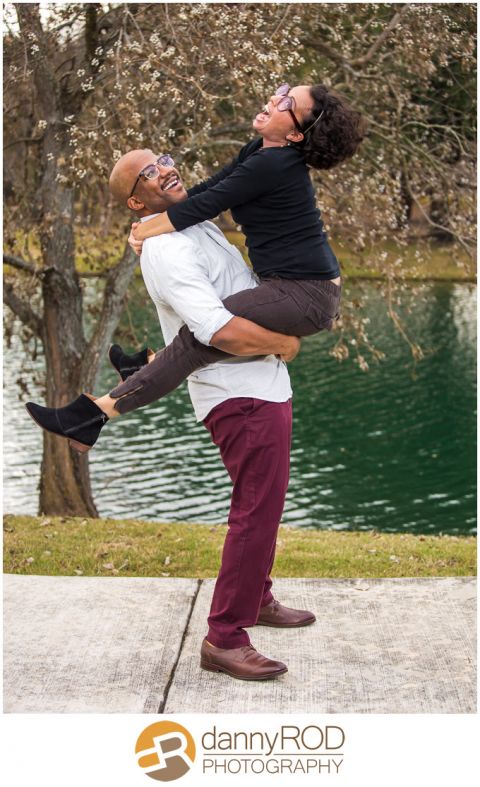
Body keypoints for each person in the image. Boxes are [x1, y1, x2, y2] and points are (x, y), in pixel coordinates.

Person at [25, 82, 365, 451]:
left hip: (305, 294)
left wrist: (144, 229)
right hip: (295, 288)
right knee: (204, 333)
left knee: (204, 335)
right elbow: (209, 189)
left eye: (286, 102)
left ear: (296, 134)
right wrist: (145, 227)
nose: (273, 98)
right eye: (281, 90)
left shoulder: (276, 163)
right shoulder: (259, 151)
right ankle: (146, 366)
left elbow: (206, 204)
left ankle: (94, 414)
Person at [94, 149, 318, 680]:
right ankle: (225, 637)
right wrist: (284, 343)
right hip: (237, 394)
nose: (165, 169)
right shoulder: (167, 249)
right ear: (135, 202)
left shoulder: (191, 223)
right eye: (149, 173)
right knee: (254, 512)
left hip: (262, 385)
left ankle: (256, 598)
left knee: (264, 507)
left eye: (164, 159)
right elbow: (215, 330)